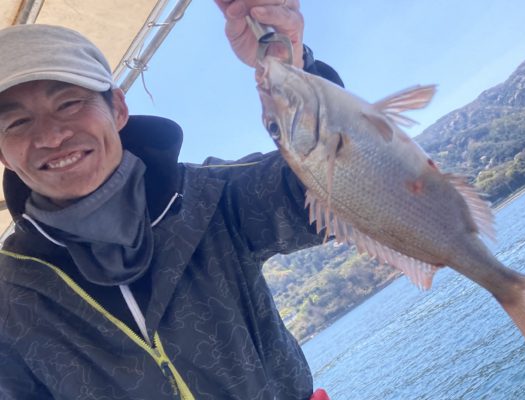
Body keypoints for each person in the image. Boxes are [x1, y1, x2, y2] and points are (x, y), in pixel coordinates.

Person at [0, 1, 342, 399]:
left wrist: (290, 71)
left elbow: (336, 194)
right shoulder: (10, 295)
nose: (51, 136)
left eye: (69, 103)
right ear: (3, 154)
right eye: (17, 122)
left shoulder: (211, 197)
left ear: (118, 108)